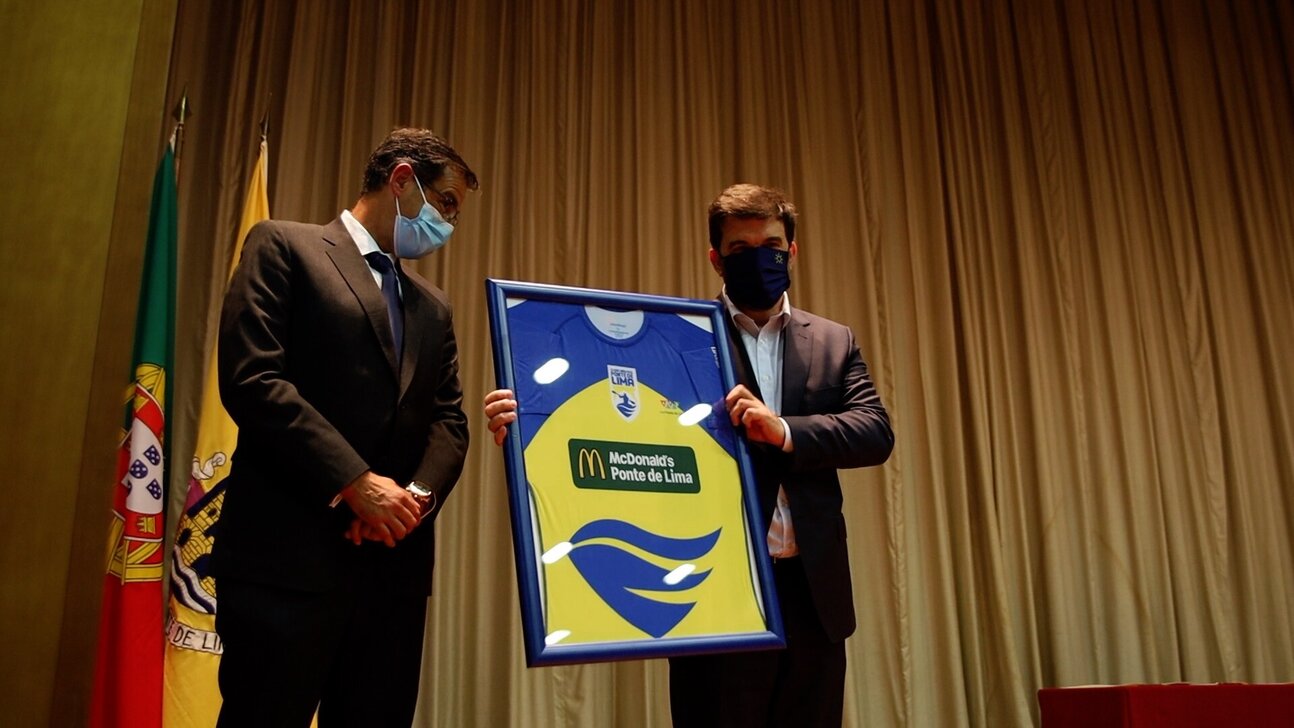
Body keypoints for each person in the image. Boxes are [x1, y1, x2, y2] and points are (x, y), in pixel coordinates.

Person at [483, 183, 893, 726]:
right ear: (716, 259)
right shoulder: (677, 335)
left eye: (771, 246)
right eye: (740, 249)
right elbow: (619, 421)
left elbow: (873, 431)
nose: (759, 258)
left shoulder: (834, 340)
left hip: (813, 593)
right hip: (715, 594)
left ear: (792, 250)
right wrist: (530, 420)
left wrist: (782, 430)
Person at [213, 128, 477, 727]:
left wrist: (409, 502)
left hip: (391, 573)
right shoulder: (284, 246)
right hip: (286, 564)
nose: (448, 224)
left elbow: (449, 420)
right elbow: (254, 378)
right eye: (445, 204)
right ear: (402, 179)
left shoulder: (434, 305)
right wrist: (355, 483)